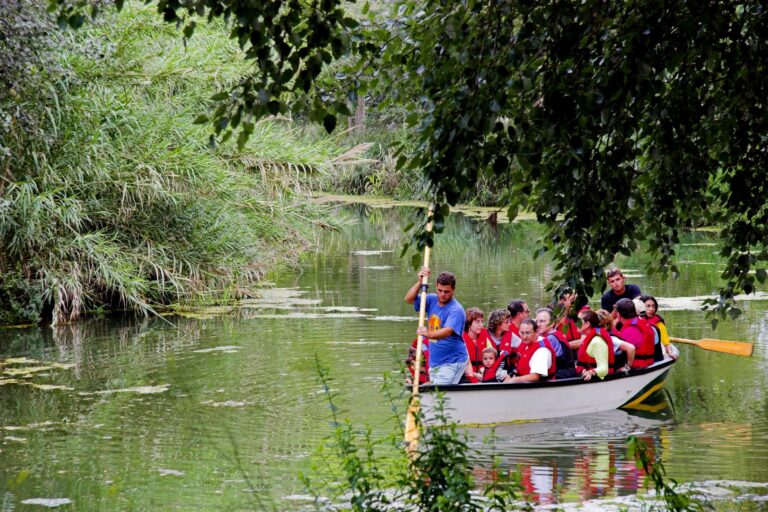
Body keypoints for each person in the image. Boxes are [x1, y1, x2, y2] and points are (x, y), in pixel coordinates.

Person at [405, 267, 467, 385]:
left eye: (447, 291)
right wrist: (420, 282)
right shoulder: (431, 299)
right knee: (437, 397)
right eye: (440, 290)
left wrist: (429, 334)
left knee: (439, 394)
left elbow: (448, 331)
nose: (443, 294)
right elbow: (409, 299)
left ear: (453, 289)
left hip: (452, 362)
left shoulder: (456, 309)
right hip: (435, 363)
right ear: (436, 287)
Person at [535, 307, 577, 379]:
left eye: (542, 321)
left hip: (561, 374)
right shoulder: (550, 335)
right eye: (536, 322)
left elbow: (543, 363)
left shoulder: (551, 338)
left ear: (552, 323)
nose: (538, 324)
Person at [615, 298, 655, 369]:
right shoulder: (639, 322)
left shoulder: (631, 329)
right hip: (647, 361)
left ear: (619, 314)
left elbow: (616, 349)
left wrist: (627, 367)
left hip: (637, 365)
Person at [575, 309, 614, 380]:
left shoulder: (597, 342)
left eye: (578, 321)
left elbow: (604, 368)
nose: (575, 323)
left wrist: (591, 372)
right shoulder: (588, 337)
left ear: (587, 324)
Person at [641, 294, 679, 360]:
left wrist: (670, 352)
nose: (651, 309)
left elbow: (665, 340)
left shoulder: (658, 322)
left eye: (653, 306)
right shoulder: (634, 319)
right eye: (648, 306)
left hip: (654, 352)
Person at [463, 307, 490, 374]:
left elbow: (492, 355)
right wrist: (475, 375)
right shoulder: (461, 338)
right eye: (477, 322)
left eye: (482, 321)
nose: (481, 325)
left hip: (483, 371)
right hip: (466, 374)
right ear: (469, 324)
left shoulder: (485, 334)